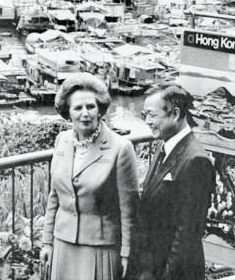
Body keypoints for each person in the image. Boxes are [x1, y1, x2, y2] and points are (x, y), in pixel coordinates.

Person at [40, 73, 139, 280]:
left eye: (90, 107)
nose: (85, 114)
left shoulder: (120, 148)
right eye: (78, 108)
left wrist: (128, 253)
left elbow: (129, 210)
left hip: (100, 248)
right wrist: (47, 241)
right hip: (63, 245)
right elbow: (54, 197)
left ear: (100, 109)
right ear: (68, 113)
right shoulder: (62, 141)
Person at [133, 82, 216, 280]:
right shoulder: (165, 145)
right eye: (145, 115)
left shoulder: (196, 160)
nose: (147, 122)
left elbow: (187, 232)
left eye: (152, 115)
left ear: (175, 114)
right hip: (154, 266)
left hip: (175, 272)